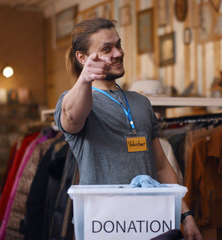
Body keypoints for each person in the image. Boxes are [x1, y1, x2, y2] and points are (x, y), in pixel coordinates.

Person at [54, 18, 202, 240]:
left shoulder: (141, 103)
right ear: (82, 58)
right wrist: (85, 79)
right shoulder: (73, 100)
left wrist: (186, 216)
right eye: (106, 49)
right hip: (102, 225)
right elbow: (72, 115)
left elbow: (161, 166)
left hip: (151, 223)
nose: (118, 53)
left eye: (118, 45)